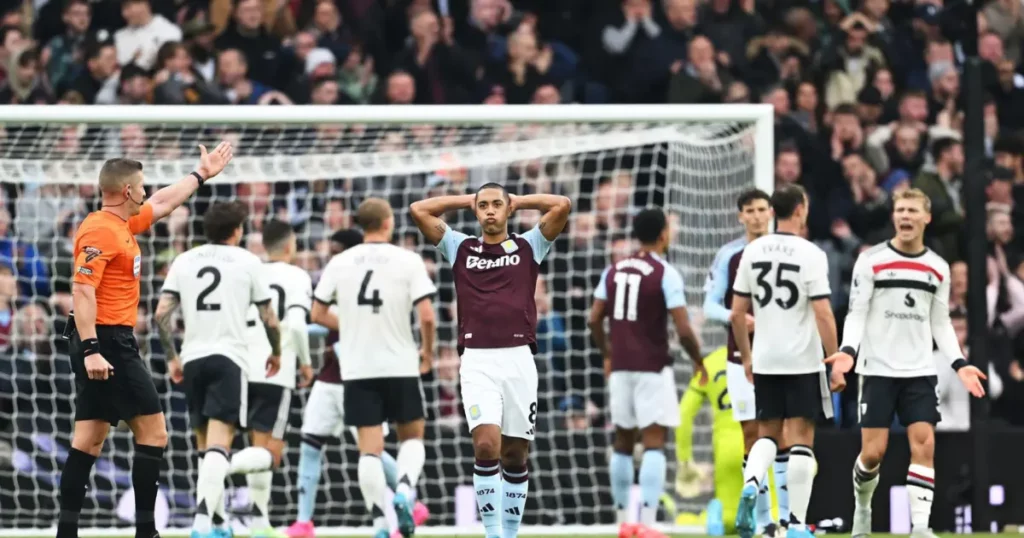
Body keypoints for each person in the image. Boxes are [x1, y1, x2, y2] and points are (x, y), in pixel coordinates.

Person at [59, 144, 233, 538]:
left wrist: (200, 175)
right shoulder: (101, 229)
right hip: (105, 343)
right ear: (126, 192)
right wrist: (91, 350)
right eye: (141, 186)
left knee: (88, 440)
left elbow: (163, 202)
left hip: (104, 341)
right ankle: (146, 532)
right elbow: (83, 291)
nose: (146, 191)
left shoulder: (122, 224)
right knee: (154, 433)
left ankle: (66, 533)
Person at [409, 184, 571, 538]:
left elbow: (562, 205)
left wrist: (519, 201)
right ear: (476, 212)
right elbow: (419, 209)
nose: (490, 211)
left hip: (519, 361)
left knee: (515, 455)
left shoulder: (530, 245)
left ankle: (510, 533)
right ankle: (493, 533)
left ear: (508, 209)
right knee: (485, 445)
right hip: (478, 361)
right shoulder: (460, 247)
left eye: (497, 205)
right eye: (483, 206)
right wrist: (465, 200)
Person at [824, 189, 987, 538]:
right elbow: (857, 313)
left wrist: (959, 363)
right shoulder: (871, 261)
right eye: (900, 210)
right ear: (893, 217)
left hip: (919, 371)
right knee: (873, 454)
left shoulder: (938, 268)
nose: (905, 217)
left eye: (912, 210)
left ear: (927, 218)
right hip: (877, 369)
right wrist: (847, 352)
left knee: (924, 443)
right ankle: (863, 508)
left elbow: (940, 322)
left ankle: (921, 527)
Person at [154, 201, 282, 538]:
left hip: (193, 357)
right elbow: (270, 317)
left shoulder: (184, 260)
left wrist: (171, 356)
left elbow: (161, 314)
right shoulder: (248, 261)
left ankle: (219, 524)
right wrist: (276, 351)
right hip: (229, 358)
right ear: (237, 230)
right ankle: (200, 525)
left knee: (203, 447)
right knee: (219, 445)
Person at [311, 198, 438, 538]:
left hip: (358, 369)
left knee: (369, 450)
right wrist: (426, 353)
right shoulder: (408, 260)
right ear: (388, 223)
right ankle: (405, 491)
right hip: (400, 364)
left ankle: (380, 524)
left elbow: (317, 313)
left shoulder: (340, 262)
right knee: (412, 436)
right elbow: (427, 315)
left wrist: (351, 326)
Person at [730, 184, 840, 538]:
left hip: (764, 357)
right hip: (802, 359)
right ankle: (795, 524)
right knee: (801, 440)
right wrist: (835, 357)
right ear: (801, 209)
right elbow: (823, 312)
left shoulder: (753, 250)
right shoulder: (811, 253)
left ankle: (751, 484)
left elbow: (737, 313)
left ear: (773, 211)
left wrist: (747, 358)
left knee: (767, 435)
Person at [587, 207, 705, 538]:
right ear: (663, 234)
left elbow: (594, 318)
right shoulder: (664, 272)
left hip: (621, 367)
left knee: (623, 442)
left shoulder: (614, 269)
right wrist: (697, 359)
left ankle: (624, 522)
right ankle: (649, 524)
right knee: (654, 443)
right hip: (652, 367)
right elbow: (683, 329)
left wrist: (608, 353)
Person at [703, 189, 786, 535]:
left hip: (782, 354)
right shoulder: (729, 255)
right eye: (749, 210)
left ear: (771, 212)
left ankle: (784, 520)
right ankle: (764, 520)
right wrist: (737, 318)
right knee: (751, 434)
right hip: (740, 357)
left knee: (782, 435)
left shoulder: (785, 249)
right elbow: (709, 306)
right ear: (740, 216)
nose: (756, 216)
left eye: (761, 209)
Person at [236, 220, 315, 538]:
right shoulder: (297, 276)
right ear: (289, 245)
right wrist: (306, 363)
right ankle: (219, 467)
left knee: (255, 446)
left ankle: (259, 523)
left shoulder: (249, 273)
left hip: (242, 366)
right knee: (270, 452)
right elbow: (295, 326)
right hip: (276, 370)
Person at [676, 347, 744, 535]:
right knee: (773, 513)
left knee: (729, 516)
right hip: (762, 443)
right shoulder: (764, 354)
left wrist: (685, 459)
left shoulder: (710, 362)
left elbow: (684, 413)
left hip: (726, 448)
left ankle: (702, 518)